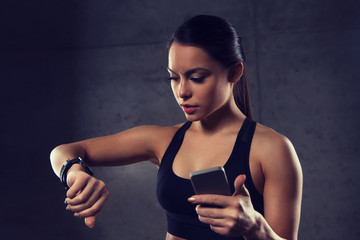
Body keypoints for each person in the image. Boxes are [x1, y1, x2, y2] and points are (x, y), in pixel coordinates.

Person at [50, 15, 302, 240]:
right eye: (174, 77)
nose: (182, 91)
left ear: (234, 72)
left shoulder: (272, 149)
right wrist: (75, 173)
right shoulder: (163, 140)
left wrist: (255, 228)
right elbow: (62, 152)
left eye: (197, 78)